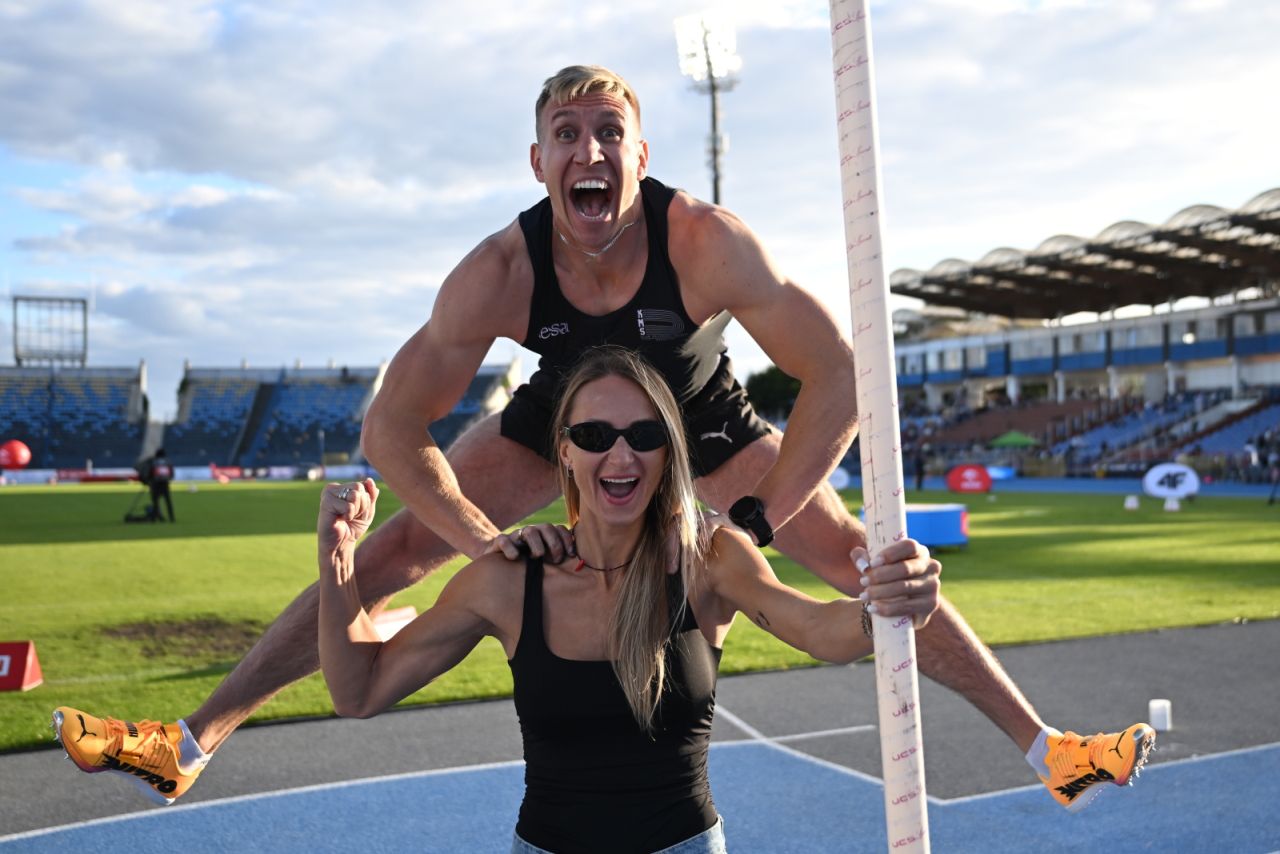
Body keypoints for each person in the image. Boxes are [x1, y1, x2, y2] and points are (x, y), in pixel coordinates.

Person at [52, 65, 1153, 814]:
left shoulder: (706, 240)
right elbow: (390, 427)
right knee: (391, 554)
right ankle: (187, 743)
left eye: (608, 132)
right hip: (563, 416)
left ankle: (1047, 748)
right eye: (567, 135)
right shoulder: (500, 270)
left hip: (703, 413)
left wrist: (757, 517)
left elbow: (841, 374)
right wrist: (484, 540)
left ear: (640, 153)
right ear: (538, 163)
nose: (589, 150)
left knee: (869, 563)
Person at [317, 347, 942, 852]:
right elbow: (359, 691)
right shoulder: (509, 579)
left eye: (645, 434)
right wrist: (338, 558)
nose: (621, 455)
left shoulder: (708, 561)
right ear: (564, 450)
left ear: (669, 449)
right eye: (594, 434)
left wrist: (883, 604)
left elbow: (819, 631)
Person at [136, 448, 174, 522]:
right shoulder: (167, 462)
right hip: (165, 484)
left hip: (155, 485)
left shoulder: (153, 462)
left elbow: (150, 473)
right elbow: (171, 474)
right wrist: (168, 479)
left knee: (156, 502)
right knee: (168, 502)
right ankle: (171, 518)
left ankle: (155, 518)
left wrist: (147, 481)